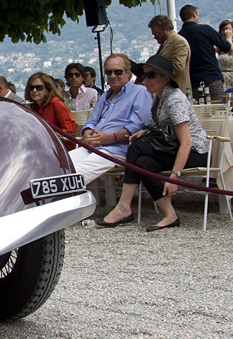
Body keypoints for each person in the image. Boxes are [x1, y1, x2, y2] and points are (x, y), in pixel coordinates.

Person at [96, 54, 210, 231]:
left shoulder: (175, 99)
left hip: (195, 152)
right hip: (173, 148)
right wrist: (146, 130)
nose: (145, 80)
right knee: (142, 163)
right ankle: (169, 214)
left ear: (165, 78)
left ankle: (124, 207)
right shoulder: (159, 97)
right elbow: (160, 126)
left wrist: (174, 177)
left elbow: (186, 142)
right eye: (144, 75)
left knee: (136, 148)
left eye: (151, 75)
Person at [69, 53, 152, 183]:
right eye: (109, 72)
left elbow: (137, 126)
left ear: (128, 73)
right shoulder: (104, 97)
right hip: (92, 147)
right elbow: (91, 122)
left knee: (74, 175)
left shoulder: (140, 92)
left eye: (118, 72)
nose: (113, 76)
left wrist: (110, 138)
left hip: (117, 150)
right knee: (56, 165)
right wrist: (87, 135)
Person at [178, 4, 231, 101]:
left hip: (193, 82)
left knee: (201, 112)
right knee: (217, 109)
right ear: (194, 14)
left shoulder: (179, 36)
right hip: (212, 77)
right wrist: (228, 37)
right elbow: (226, 47)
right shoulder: (205, 29)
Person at [25, 72, 77, 150]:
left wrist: (49, 136)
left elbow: (70, 128)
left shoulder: (55, 103)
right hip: (42, 147)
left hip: (60, 148)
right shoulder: (33, 107)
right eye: (31, 88)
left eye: (39, 88)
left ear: (47, 90)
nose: (34, 90)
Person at [147, 14, 190, 94]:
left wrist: (155, 75)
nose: (155, 37)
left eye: (157, 34)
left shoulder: (179, 42)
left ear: (167, 29)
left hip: (176, 91)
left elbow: (178, 68)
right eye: (154, 35)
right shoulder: (164, 44)